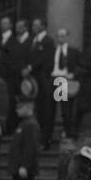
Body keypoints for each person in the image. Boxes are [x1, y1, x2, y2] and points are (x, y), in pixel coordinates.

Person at [11, 98, 41, 180]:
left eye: (20, 107)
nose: (17, 109)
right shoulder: (23, 124)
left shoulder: (30, 125)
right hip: (18, 167)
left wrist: (25, 165)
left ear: (28, 108)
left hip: (24, 168)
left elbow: (31, 147)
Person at [50, 27, 81, 141]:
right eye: (58, 36)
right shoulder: (52, 51)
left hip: (63, 81)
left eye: (63, 36)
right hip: (52, 79)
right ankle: (48, 136)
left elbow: (81, 67)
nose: (60, 38)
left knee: (65, 109)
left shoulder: (73, 51)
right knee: (50, 109)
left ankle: (67, 133)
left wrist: (73, 74)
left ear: (67, 37)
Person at [29, 18, 56, 148]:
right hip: (34, 80)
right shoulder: (33, 40)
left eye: (36, 24)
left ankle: (46, 139)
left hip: (51, 80)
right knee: (37, 109)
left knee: (46, 109)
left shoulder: (48, 41)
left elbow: (44, 59)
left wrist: (31, 67)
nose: (33, 26)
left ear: (43, 27)